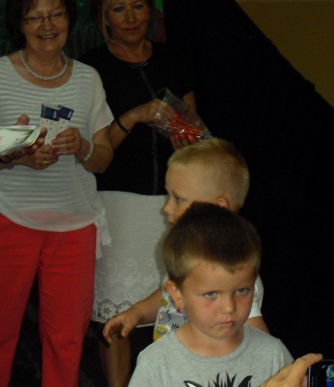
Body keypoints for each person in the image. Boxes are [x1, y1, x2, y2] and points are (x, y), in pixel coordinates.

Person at [0, 0, 114, 387]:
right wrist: (17, 156)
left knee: (67, 340)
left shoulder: (88, 79)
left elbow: (103, 157)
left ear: (70, 18)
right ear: (20, 24)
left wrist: (82, 147)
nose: (47, 26)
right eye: (35, 17)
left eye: (57, 14)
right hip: (5, 218)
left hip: (75, 224)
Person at [78, 0, 197, 386]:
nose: (130, 18)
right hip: (118, 205)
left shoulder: (172, 58)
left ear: (151, 10)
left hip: (174, 203)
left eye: (139, 6)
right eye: (118, 9)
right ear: (103, 16)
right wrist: (135, 115)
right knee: (117, 312)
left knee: (179, 305)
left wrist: (187, 136)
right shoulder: (91, 68)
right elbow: (93, 149)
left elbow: (194, 130)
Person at [103, 139, 269, 372]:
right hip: (172, 370)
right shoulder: (190, 256)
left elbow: (259, 340)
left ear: (217, 207)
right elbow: (169, 294)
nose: (166, 208)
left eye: (178, 199)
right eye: (168, 196)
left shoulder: (231, 274)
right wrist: (137, 313)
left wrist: (279, 372)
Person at [128, 202, 292, 386]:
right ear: (177, 294)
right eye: (211, 294)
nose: (229, 307)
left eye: (242, 290)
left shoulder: (273, 355)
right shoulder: (155, 363)